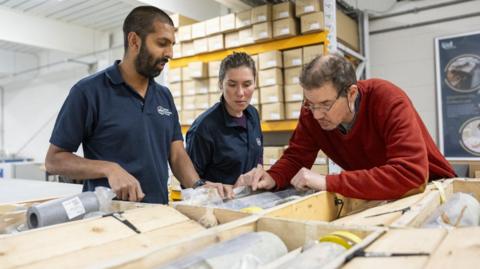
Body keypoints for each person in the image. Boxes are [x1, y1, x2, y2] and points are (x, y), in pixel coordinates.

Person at [45, 6, 231, 204]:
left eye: (172, 45)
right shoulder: (88, 92)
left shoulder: (164, 96)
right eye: (162, 43)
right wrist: (109, 169)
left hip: (157, 213)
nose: (170, 53)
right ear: (134, 40)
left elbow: (176, 154)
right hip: (109, 219)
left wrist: (198, 186)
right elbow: (54, 160)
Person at [237, 54, 456, 200]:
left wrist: (327, 181)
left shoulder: (388, 99)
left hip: (432, 190)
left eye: (325, 105)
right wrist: (273, 177)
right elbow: (296, 157)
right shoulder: (312, 112)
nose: (316, 114)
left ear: (351, 93)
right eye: (310, 104)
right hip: (382, 195)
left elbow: (411, 174)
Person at [186, 52, 263, 186]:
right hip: (218, 205)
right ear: (221, 85)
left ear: (255, 83)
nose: (240, 93)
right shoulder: (203, 128)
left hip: (252, 203)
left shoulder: (253, 115)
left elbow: (258, 158)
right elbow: (188, 182)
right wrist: (222, 189)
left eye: (247, 84)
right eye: (232, 85)